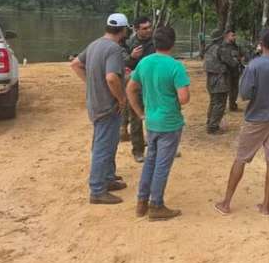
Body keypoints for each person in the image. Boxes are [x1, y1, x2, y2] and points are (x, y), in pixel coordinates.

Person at [214, 28, 269, 216]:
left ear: (261, 43)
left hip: (256, 118)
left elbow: (246, 94)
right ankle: (266, 206)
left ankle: (226, 203)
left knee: (241, 158)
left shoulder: (255, 65)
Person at [126, 26, 191, 221]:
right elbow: (184, 98)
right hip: (169, 122)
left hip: (152, 121)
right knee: (162, 165)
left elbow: (130, 89)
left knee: (150, 162)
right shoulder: (175, 66)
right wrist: (171, 101)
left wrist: (140, 113)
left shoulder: (144, 62)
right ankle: (156, 205)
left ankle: (141, 203)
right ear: (173, 43)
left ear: (155, 42)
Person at [70, 13, 129, 205]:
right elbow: (112, 77)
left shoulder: (95, 44)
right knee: (103, 147)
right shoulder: (114, 49)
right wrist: (121, 99)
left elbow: (76, 64)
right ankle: (97, 190)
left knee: (108, 142)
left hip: (95, 103)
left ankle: (108, 178)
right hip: (107, 106)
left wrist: (91, 83)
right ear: (124, 30)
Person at [121, 16, 156, 162]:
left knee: (156, 115)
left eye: (149, 27)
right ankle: (138, 151)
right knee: (136, 117)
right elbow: (122, 63)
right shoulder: (129, 43)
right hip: (136, 86)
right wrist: (132, 57)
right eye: (145, 28)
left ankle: (158, 147)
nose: (148, 30)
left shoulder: (155, 41)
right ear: (136, 29)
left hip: (154, 84)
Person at [203, 29, 240, 134]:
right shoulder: (221, 49)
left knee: (213, 102)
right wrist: (237, 60)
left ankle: (210, 122)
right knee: (220, 103)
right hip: (220, 79)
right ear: (220, 38)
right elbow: (232, 63)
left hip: (210, 78)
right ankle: (213, 127)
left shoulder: (208, 48)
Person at [224, 29, 244, 112]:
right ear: (227, 36)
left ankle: (233, 105)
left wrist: (241, 59)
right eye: (232, 35)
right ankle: (222, 107)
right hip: (226, 72)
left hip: (235, 71)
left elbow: (242, 56)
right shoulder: (222, 47)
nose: (234, 37)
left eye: (235, 35)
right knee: (225, 90)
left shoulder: (237, 46)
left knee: (235, 89)